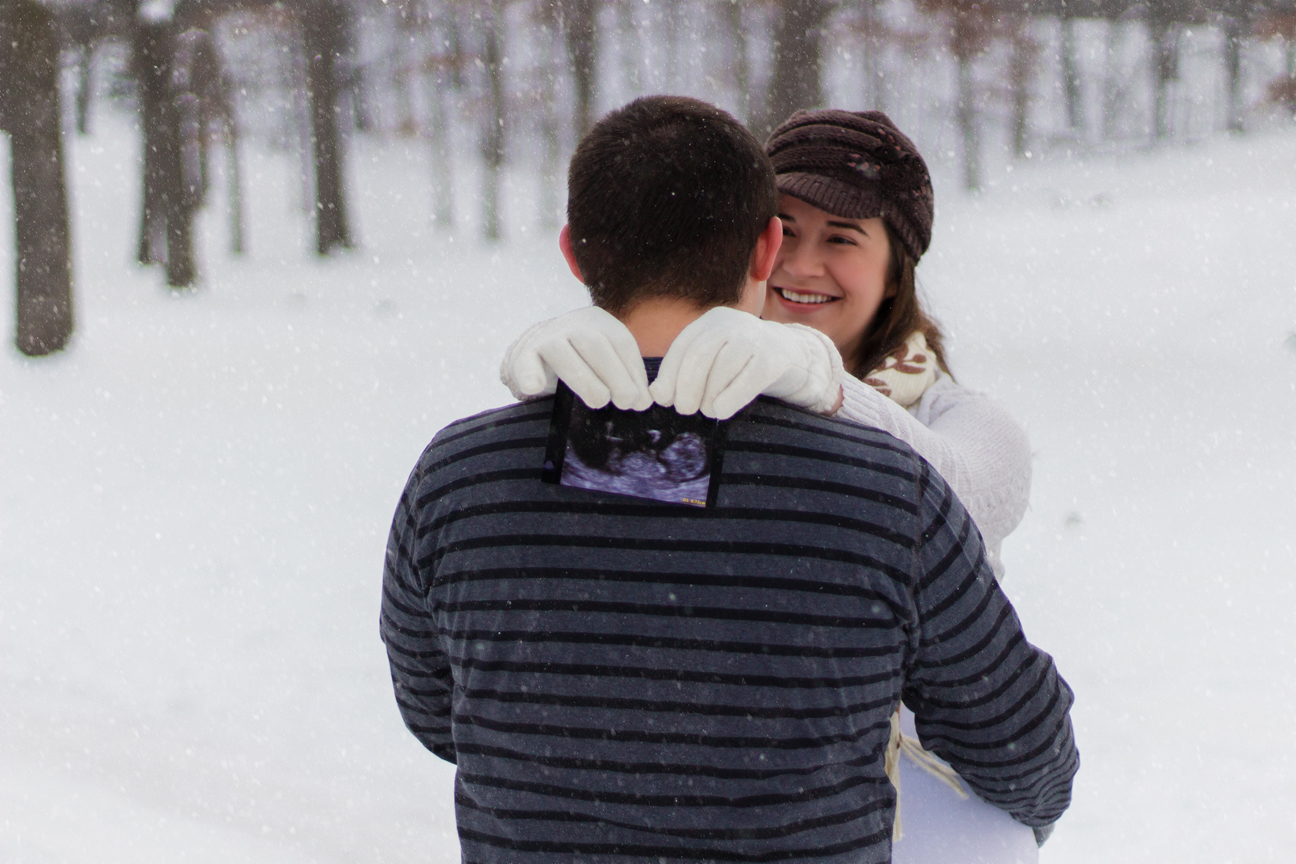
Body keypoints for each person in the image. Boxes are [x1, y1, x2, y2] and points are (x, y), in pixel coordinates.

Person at [383, 96, 1077, 864]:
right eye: (792, 232)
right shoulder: (883, 495)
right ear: (764, 246)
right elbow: (1027, 750)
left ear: (575, 253)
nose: (804, 266)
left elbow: (444, 705)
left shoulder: (459, 478)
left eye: (843, 237)